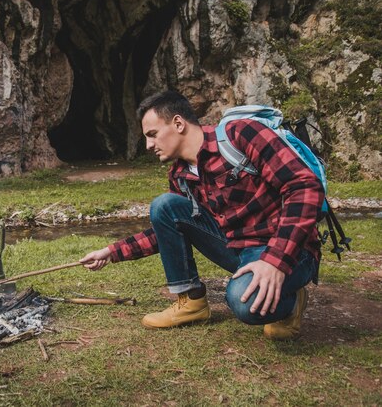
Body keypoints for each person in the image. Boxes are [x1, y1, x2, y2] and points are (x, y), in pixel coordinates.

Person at [80, 90, 324, 339]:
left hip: (289, 249)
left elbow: (304, 187)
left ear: (178, 123)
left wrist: (275, 261)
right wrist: (111, 252)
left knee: (244, 303)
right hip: (238, 248)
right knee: (165, 206)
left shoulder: (242, 134)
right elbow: (167, 231)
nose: (148, 145)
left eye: (152, 135)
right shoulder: (180, 175)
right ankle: (191, 301)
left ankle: (291, 302)